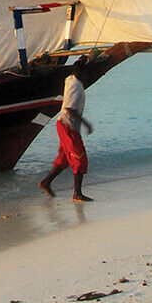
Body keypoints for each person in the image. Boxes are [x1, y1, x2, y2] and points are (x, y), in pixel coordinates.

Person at [39, 58, 94, 203]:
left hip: (63, 125)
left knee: (64, 159)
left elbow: (79, 66)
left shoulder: (69, 79)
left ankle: (46, 182)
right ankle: (77, 193)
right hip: (68, 126)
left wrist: (85, 58)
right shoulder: (76, 87)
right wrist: (86, 123)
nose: (87, 75)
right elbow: (69, 109)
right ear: (82, 73)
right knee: (80, 158)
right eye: (86, 72)